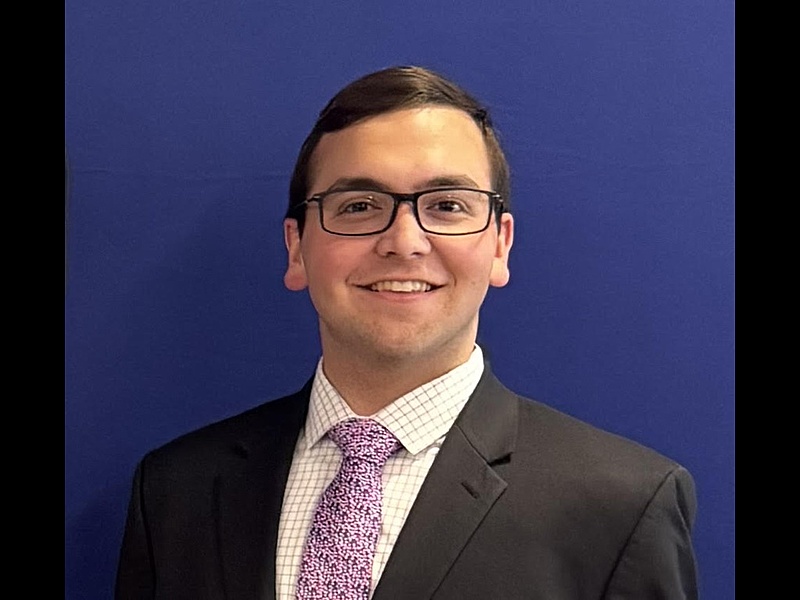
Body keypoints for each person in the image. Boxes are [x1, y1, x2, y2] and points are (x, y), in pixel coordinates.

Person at [115, 65, 698, 600]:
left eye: (446, 205)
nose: (404, 240)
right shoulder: (175, 490)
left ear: (499, 245)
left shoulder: (623, 505)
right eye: (359, 205)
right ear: (297, 249)